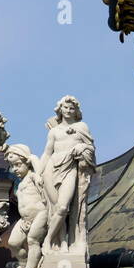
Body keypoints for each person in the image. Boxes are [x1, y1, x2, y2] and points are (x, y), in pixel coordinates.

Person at [40, 96, 96, 251]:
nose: (69, 111)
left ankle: (48, 239)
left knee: (63, 207)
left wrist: (82, 148)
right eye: (66, 107)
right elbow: (46, 153)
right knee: (56, 207)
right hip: (51, 169)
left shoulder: (82, 127)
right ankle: (61, 243)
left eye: (72, 108)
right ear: (60, 109)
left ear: (76, 111)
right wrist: (39, 173)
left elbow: (91, 148)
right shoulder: (54, 132)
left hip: (70, 168)